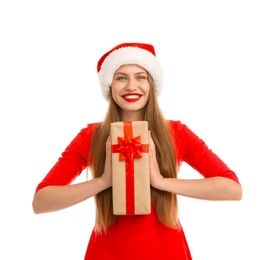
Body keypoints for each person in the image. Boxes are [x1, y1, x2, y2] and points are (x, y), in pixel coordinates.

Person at [32, 42, 242, 259]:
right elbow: (41, 201)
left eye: (140, 77)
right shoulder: (91, 136)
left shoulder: (176, 132)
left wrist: (161, 181)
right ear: (109, 85)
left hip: (167, 252)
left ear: (151, 84)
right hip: (107, 252)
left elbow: (232, 189)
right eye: (121, 77)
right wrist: (103, 181)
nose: (131, 86)